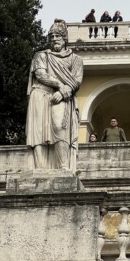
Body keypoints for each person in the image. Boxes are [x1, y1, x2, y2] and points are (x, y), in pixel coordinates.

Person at [26, 19, 83, 170]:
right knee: (38, 131)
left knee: (59, 127)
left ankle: (63, 166)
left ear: (65, 39)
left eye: (57, 36)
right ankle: (39, 167)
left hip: (62, 97)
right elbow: (40, 74)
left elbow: (76, 80)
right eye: (51, 36)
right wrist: (60, 86)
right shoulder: (41, 56)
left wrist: (64, 92)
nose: (54, 39)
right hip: (40, 93)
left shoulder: (76, 59)